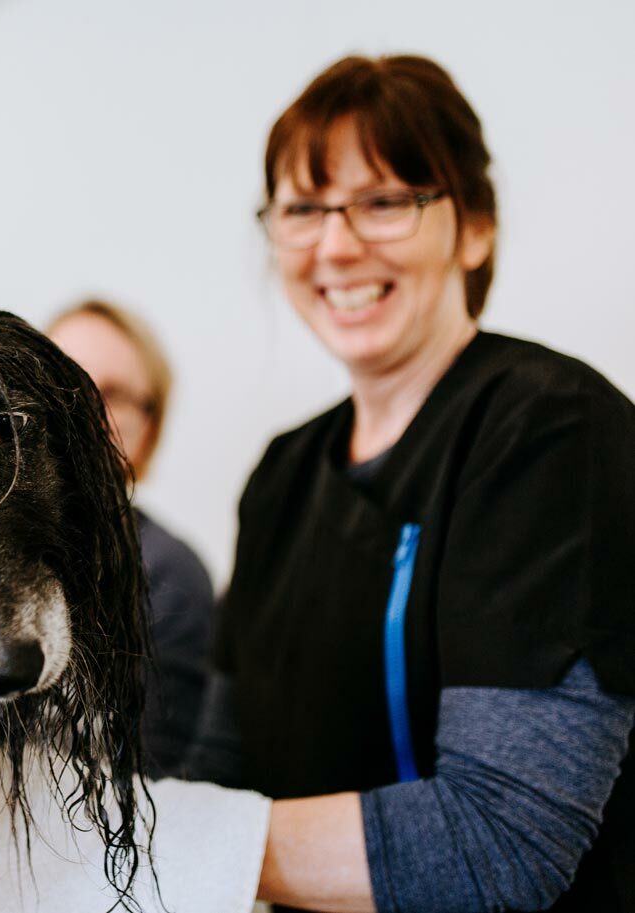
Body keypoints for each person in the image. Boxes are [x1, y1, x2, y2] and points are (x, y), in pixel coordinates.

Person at [186, 55, 635, 912]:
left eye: (386, 201)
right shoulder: (279, 476)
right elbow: (219, 767)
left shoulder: (551, 426)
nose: (336, 244)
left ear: (474, 227)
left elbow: (498, 840)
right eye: (303, 209)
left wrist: (180, 838)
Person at [47, 300, 215, 778]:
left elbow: (149, 778)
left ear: (150, 429)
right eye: (60, 383)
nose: (81, 410)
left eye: (114, 394)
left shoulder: (170, 574)